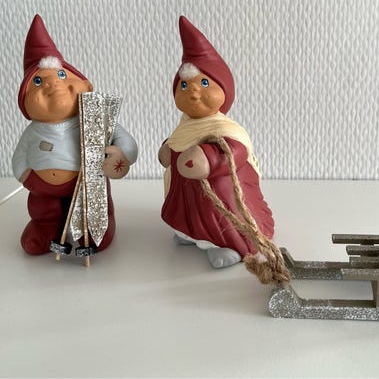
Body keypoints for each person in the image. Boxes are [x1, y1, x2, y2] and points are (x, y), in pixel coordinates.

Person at [12, 15, 138, 255]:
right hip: (42, 189)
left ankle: (95, 228)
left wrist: (119, 153)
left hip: (86, 186)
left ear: (86, 86)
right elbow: (19, 155)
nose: (52, 84)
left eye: (61, 75)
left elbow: (126, 142)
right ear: (25, 105)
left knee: (92, 208)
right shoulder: (33, 132)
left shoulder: (93, 119)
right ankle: (45, 227)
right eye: (38, 81)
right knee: (43, 209)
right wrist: (25, 175)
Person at [159, 16, 274, 268]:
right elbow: (178, 144)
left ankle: (228, 246)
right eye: (184, 85)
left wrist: (208, 159)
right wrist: (169, 149)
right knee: (188, 214)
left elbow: (235, 152)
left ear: (224, 90)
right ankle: (191, 233)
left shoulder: (227, 129)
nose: (193, 91)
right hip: (188, 193)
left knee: (220, 220)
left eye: (203, 83)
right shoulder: (186, 126)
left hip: (218, 195)